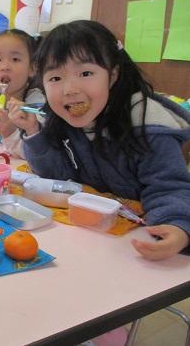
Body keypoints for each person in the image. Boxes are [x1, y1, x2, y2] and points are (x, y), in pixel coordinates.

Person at [11, 20, 190, 261]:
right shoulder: (62, 119)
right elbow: (58, 176)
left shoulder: (147, 126)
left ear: (113, 75)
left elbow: (168, 186)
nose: (69, 89)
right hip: (91, 237)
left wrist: (177, 225)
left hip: (137, 243)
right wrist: (34, 133)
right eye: (55, 78)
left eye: (85, 73)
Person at [0, 29, 44, 158]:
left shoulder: (37, 107)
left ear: (32, 68)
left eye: (15, 59)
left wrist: (10, 133)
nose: (4, 66)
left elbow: (40, 156)